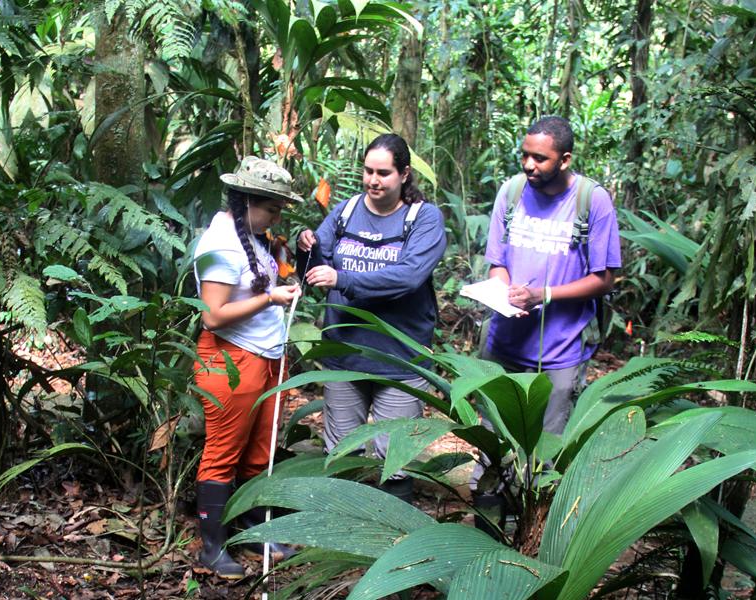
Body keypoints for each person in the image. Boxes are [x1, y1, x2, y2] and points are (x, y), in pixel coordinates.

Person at [297, 133, 447, 504]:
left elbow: (409, 276)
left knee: (393, 459)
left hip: (399, 358)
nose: (373, 180)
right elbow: (318, 270)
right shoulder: (346, 211)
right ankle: (339, 540)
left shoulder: (423, 218)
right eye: (368, 171)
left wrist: (343, 279)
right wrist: (307, 251)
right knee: (342, 452)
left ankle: (391, 542)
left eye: (383, 173)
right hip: (344, 354)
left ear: (404, 174)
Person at [192, 156, 301, 579]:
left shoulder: (252, 237)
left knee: (260, 453)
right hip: (230, 358)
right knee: (223, 453)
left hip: (266, 357)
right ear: (245, 201)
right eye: (272, 207)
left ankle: (256, 531)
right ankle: (213, 547)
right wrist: (271, 299)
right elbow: (213, 315)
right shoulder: (221, 243)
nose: (276, 216)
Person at [481, 116, 621, 436]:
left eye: (540, 158)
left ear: (565, 160)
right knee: (493, 438)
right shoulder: (511, 191)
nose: (529, 165)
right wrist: (506, 294)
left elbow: (604, 279)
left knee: (545, 450)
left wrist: (542, 295)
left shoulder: (592, 200)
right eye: (525, 155)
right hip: (504, 342)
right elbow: (497, 262)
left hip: (560, 352)